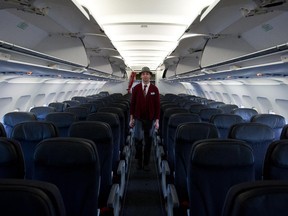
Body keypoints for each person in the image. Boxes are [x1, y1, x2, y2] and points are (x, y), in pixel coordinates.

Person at [129, 66, 160, 170]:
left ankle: (146, 163)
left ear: (150, 76)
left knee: (148, 141)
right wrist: (131, 119)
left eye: (147, 74)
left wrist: (157, 121)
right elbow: (132, 105)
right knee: (138, 140)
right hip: (138, 118)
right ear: (141, 76)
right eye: (143, 74)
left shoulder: (154, 89)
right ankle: (139, 160)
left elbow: (157, 106)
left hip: (150, 119)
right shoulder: (136, 89)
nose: (145, 75)